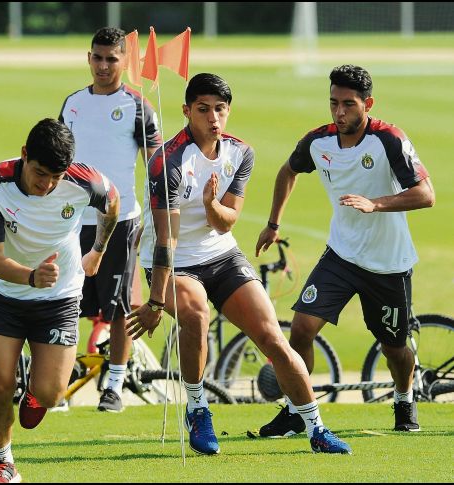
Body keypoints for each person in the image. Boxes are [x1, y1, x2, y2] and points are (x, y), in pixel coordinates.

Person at [127, 73, 351, 455]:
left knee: (272, 337)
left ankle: (316, 428)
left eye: (220, 109)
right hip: (174, 261)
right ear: (186, 111)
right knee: (195, 315)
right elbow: (168, 238)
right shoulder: (168, 161)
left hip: (222, 255)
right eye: (203, 109)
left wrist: (213, 205)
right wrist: (156, 301)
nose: (213, 117)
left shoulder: (240, 153)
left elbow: (227, 220)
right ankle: (198, 408)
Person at [255, 64, 435, 436]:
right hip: (340, 257)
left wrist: (376, 204)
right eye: (334, 103)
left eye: (349, 105)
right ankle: (297, 411)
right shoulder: (318, 142)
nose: (339, 113)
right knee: (302, 329)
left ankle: (404, 398)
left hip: (388, 264)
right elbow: (287, 172)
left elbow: (425, 194)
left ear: (367, 103)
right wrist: (273, 224)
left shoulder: (389, 140)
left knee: (394, 348)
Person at [0, 118, 119, 482]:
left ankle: (37, 395)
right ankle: (1, 463)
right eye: (40, 173)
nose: (47, 184)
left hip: (59, 296)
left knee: (51, 394)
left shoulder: (86, 182)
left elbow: (112, 204)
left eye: (56, 176)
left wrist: (98, 250)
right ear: (25, 155)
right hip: (5, 294)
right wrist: (29, 276)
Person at [58, 27, 161, 412]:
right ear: (89, 58)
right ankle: (62, 380)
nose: (103, 66)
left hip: (121, 220)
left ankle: (114, 385)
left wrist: (157, 215)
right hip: (72, 219)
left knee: (116, 307)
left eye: (111, 59)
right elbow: (59, 157)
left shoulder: (138, 107)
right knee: (67, 300)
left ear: (125, 61)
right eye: (97, 58)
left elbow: (156, 165)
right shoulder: (72, 103)